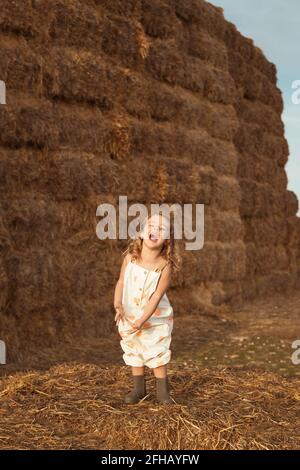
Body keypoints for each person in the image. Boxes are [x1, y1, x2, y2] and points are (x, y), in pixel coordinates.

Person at [114, 213, 180, 404]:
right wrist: (118, 304)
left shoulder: (164, 265)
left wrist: (144, 319)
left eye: (161, 229)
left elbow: (157, 295)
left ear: (167, 239)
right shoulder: (130, 258)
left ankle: (162, 392)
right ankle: (139, 389)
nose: (154, 230)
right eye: (150, 225)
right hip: (130, 313)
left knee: (156, 350)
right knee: (134, 349)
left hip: (154, 317)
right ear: (141, 233)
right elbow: (120, 282)